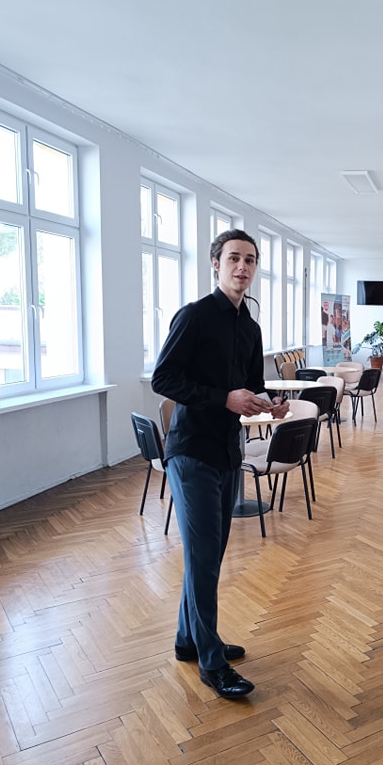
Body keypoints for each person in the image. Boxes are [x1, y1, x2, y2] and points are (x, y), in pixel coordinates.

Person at [152, 229, 288, 699]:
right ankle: (211, 663)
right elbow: (163, 378)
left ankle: (188, 639)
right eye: (233, 258)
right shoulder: (194, 316)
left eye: (250, 260)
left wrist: (268, 404)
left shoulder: (250, 327)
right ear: (216, 263)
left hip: (228, 452)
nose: (242, 267)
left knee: (206, 556)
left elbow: (249, 385)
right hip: (191, 452)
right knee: (205, 558)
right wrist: (222, 398)